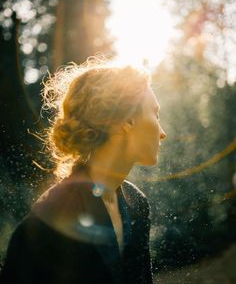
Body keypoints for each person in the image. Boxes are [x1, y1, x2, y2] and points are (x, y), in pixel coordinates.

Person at [0, 57, 166, 283]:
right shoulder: (49, 219)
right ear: (126, 121)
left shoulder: (137, 203)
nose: (162, 132)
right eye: (155, 114)